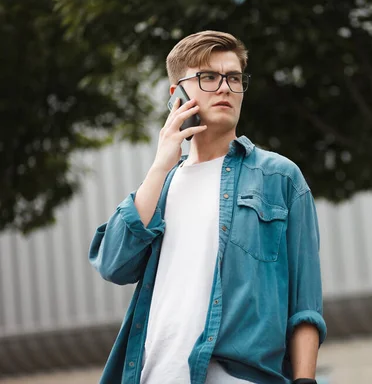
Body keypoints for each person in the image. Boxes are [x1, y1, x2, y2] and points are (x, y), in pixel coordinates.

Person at [89, 30, 326, 384]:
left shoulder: (279, 178)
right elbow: (113, 265)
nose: (225, 87)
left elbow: (305, 303)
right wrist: (159, 165)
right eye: (208, 77)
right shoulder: (160, 188)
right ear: (177, 95)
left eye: (233, 77)